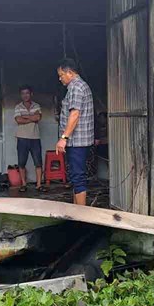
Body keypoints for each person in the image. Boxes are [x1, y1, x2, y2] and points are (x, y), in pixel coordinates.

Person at [55, 58, 94, 205]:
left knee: (78, 177)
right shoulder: (78, 86)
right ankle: (76, 211)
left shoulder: (76, 88)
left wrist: (64, 138)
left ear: (69, 73)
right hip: (78, 140)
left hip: (77, 141)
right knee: (76, 176)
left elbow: (75, 114)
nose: (60, 79)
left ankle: (81, 216)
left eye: (61, 75)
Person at [14, 85, 44, 192]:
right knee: (21, 162)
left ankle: (39, 185)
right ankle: (23, 184)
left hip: (35, 138)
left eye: (27, 93)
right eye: (23, 93)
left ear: (31, 94)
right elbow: (18, 120)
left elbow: (38, 117)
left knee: (38, 162)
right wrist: (32, 118)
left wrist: (25, 117)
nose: (25, 95)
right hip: (22, 138)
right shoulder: (18, 106)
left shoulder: (37, 105)